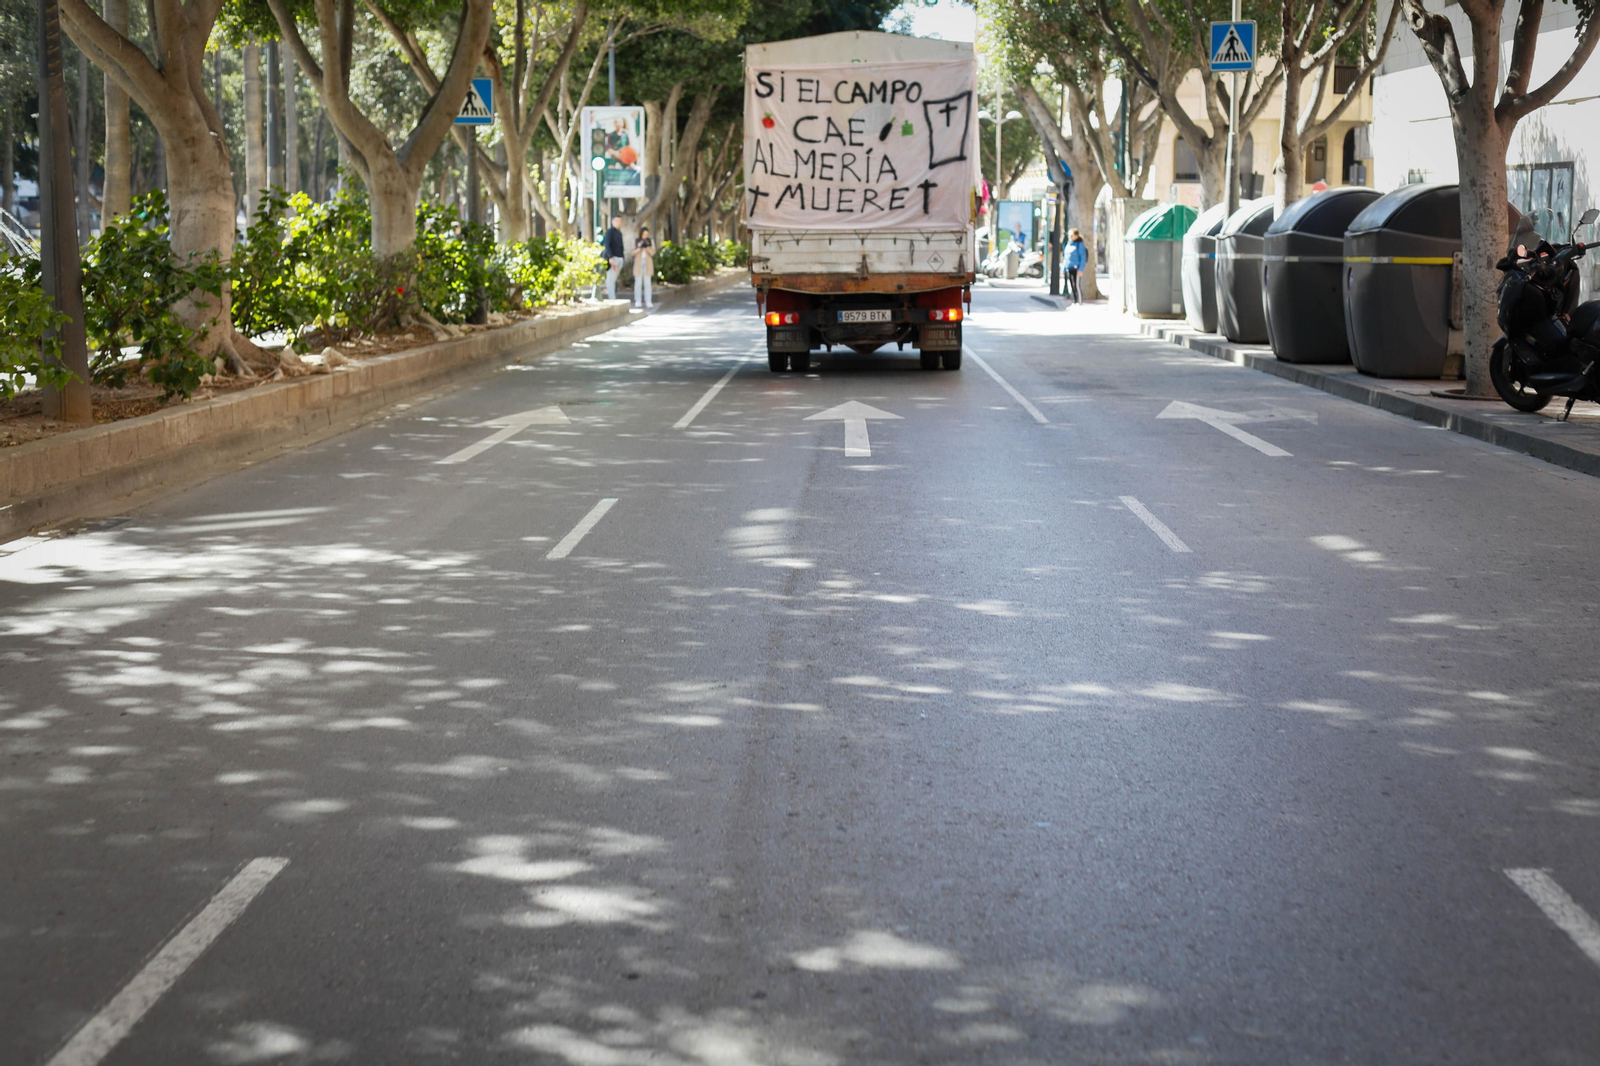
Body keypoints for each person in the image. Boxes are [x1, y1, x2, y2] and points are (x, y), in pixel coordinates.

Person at [632, 226, 655, 311]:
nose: (645, 236)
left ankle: (648, 301)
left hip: (647, 264)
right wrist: (639, 247)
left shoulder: (650, 241)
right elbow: (632, 252)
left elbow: (653, 252)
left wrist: (648, 248)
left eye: (646, 234)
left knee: (647, 283)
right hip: (638, 264)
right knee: (638, 283)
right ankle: (638, 300)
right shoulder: (636, 241)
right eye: (644, 234)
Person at [603, 215, 625, 301]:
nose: (618, 223)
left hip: (619, 258)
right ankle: (612, 299)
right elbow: (607, 244)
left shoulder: (619, 233)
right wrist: (610, 257)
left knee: (613, 280)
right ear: (612, 221)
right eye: (616, 221)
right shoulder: (610, 232)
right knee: (610, 280)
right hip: (613, 258)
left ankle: (613, 297)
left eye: (620, 221)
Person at [1065, 228, 1088, 304]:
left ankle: (1079, 301)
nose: (1070, 237)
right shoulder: (1068, 244)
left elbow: (1083, 257)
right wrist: (1064, 268)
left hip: (1076, 267)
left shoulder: (1079, 244)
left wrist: (1081, 269)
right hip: (1069, 267)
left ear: (1076, 236)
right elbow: (1066, 257)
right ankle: (1075, 301)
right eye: (1069, 235)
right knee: (1072, 284)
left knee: (1076, 285)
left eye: (1072, 235)